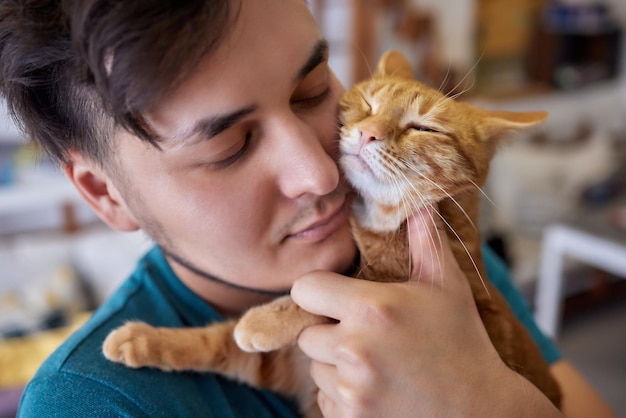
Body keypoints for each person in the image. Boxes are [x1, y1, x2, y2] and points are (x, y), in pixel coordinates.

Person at [0, 0, 616, 416]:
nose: (321, 171)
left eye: (315, 91)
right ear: (104, 192)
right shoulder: (92, 401)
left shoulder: (435, 248)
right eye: (230, 146)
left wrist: (487, 400)